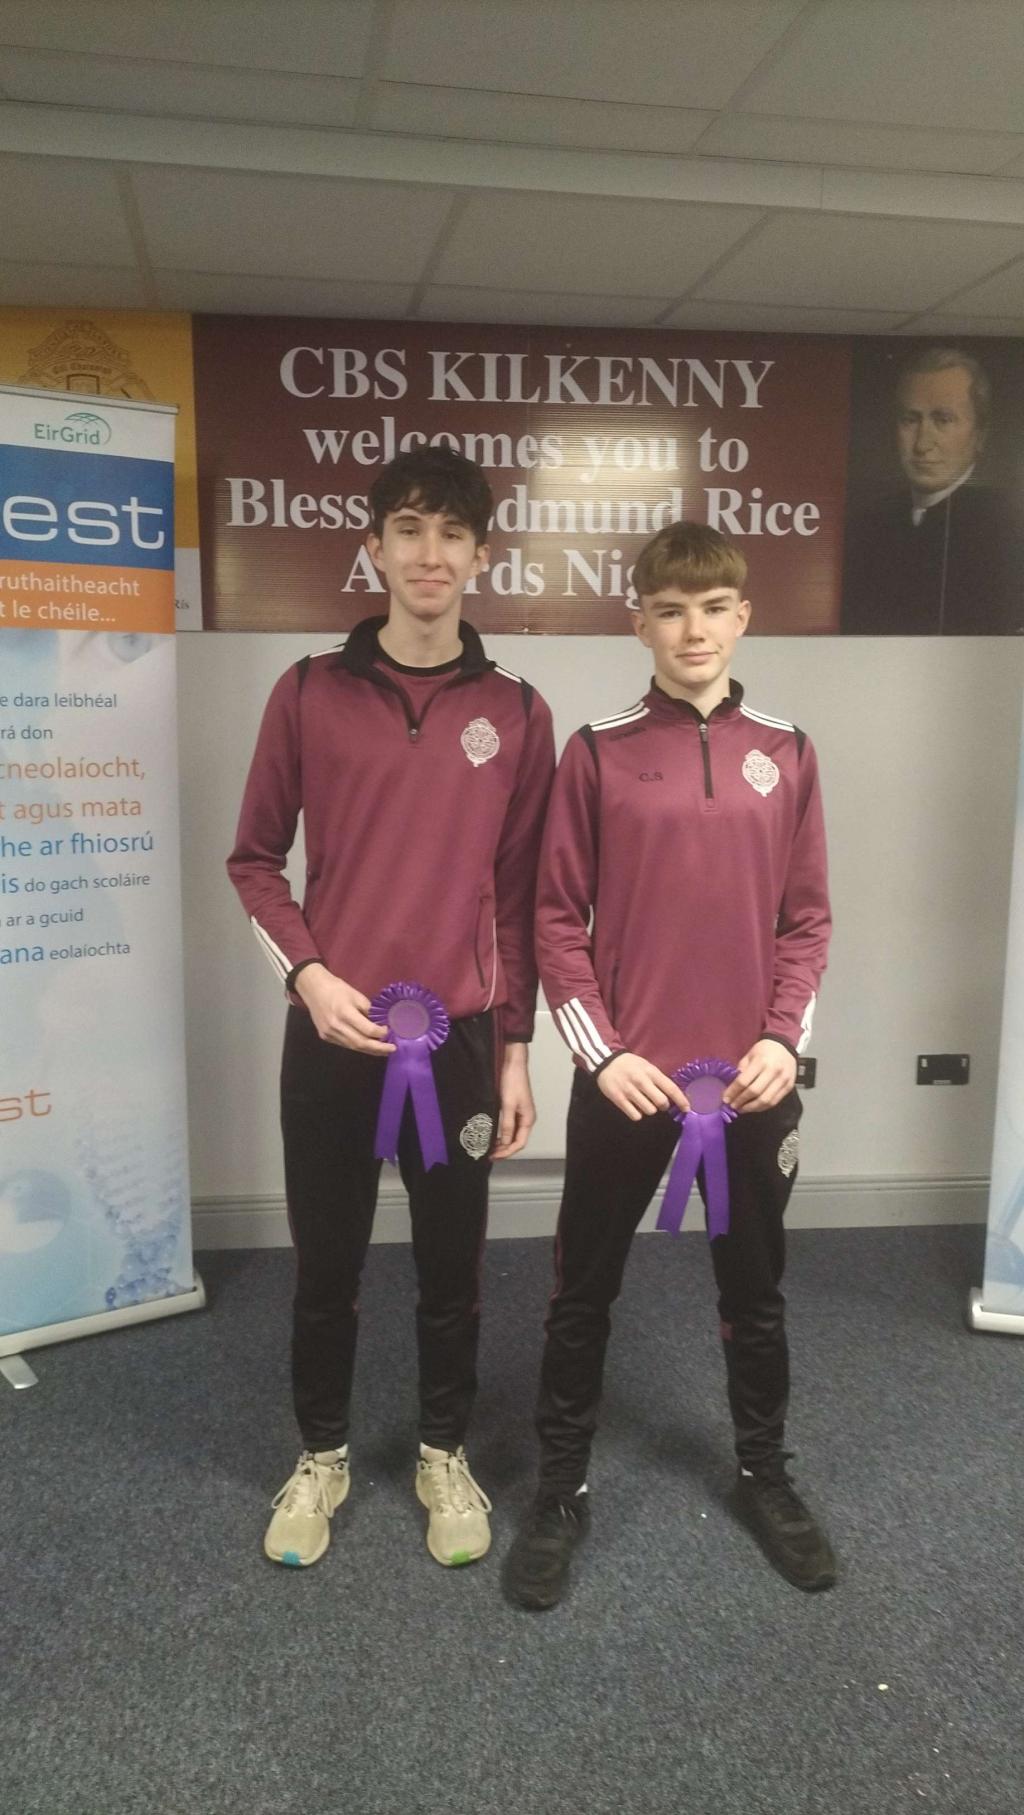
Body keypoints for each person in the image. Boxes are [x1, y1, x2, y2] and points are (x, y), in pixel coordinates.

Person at [227, 446, 555, 1569]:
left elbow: (521, 896)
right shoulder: (308, 691)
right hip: (333, 1035)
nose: (429, 553)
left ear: (481, 555)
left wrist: (515, 1049)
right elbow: (254, 861)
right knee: (326, 1265)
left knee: (451, 1271)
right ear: (371, 546)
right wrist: (309, 976)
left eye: (452, 533)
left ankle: (441, 1452)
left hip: (459, 1038)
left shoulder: (517, 712)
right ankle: (320, 1454)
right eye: (408, 528)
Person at [504, 521, 834, 1610]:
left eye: (714, 607)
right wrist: (601, 1056)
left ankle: (765, 1474)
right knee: (581, 1291)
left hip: (749, 1083)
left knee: (757, 1291)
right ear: (637, 621)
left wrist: (782, 1040)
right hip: (628, 1080)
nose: (694, 629)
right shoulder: (596, 751)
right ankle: (559, 1490)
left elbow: (806, 920)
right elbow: (555, 920)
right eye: (671, 609)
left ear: (744, 616)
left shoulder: (787, 752)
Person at [842, 346, 1023, 634]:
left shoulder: (1008, 527)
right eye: (910, 420)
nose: (922, 444)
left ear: (980, 434)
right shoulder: (866, 526)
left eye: (943, 420)